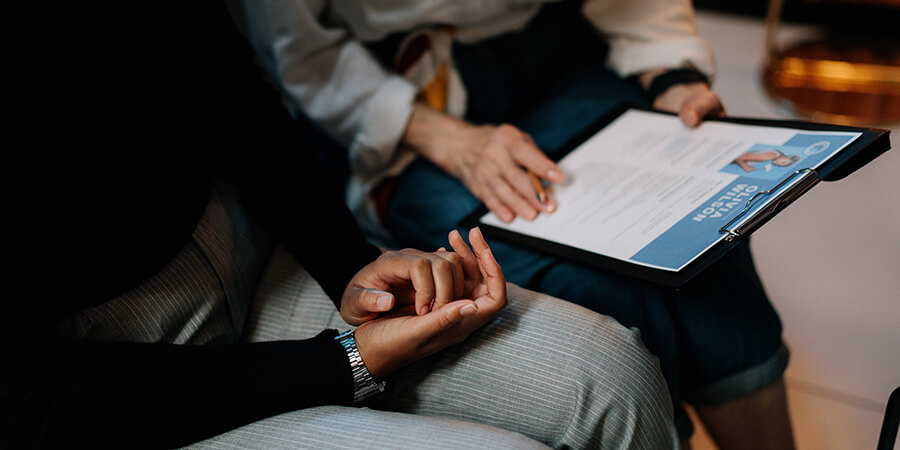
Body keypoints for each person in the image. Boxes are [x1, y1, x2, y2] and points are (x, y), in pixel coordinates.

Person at [2, 1, 678, 448]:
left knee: (616, 375)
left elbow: (236, 94)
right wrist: (348, 361)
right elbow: (31, 405)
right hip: (104, 384)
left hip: (253, 248)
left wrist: (350, 263)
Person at [230, 0, 796, 446]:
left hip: (554, 50)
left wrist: (671, 72)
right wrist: (447, 139)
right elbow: (301, 51)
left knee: (701, 237)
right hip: (399, 97)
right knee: (588, 283)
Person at [733, 149, 802, 172]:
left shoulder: (773, 155)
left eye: (780, 165)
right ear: (788, 157)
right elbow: (739, 158)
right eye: (783, 162)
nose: (778, 164)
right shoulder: (770, 156)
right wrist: (747, 168)